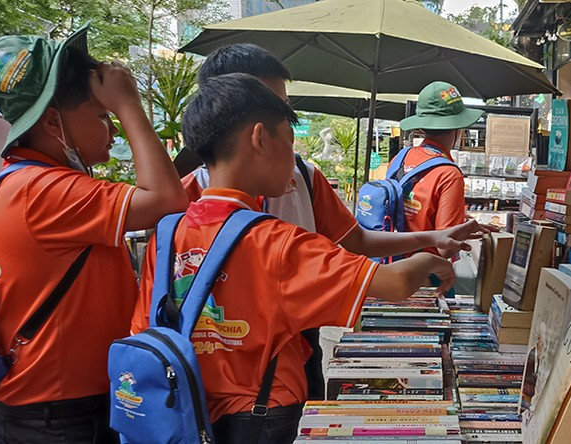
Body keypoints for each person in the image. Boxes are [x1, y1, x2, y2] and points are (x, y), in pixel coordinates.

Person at [132, 73, 456, 443]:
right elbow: (395, 283)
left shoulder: (168, 233)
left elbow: (147, 324)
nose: (293, 157)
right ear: (259, 138)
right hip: (263, 413)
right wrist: (432, 261)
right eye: (289, 141)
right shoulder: (279, 241)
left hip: (186, 407)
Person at [182, 43, 487, 400]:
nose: (287, 118)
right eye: (278, 112)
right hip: (239, 387)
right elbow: (392, 281)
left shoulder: (303, 180)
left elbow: (356, 241)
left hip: (291, 354)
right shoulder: (266, 235)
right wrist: (425, 259)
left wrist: (432, 238)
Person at [0, 26, 187, 443]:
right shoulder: (43, 191)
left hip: (51, 407)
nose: (114, 129)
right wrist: (129, 104)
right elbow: (168, 199)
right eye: (103, 117)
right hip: (60, 416)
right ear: (52, 122)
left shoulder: (23, 183)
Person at [397, 81, 485, 253]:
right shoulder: (448, 174)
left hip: (393, 264)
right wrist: (463, 231)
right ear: (458, 128)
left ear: (422, 126)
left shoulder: (402, 157)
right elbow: (446, 248)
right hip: (425, 274)